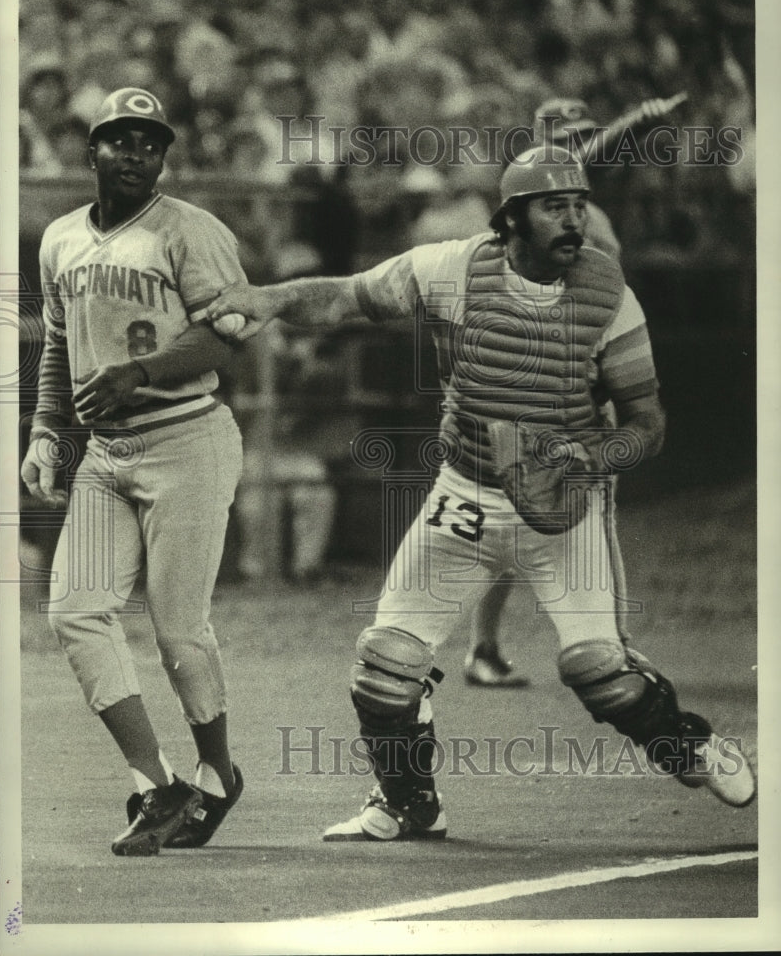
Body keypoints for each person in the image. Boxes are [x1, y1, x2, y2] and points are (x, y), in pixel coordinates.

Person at [208, 144, 756, 840]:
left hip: (564, 507)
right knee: (385, 667)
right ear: (512, 219)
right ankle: (408, 805)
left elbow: (647, 422)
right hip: (466, 493)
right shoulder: (452, 269)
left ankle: (691, 746)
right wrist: (270, 299)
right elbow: (347, 297)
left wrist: (591, 455)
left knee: (599, 674)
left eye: (579, 207)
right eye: (555, 207)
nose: (573, 222)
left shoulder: (609, 295)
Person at [20, 88, 246, 856]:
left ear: (163, 157)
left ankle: (217, 776)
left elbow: (229, 336)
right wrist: (47, 428)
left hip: (187, 439)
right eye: (120, 140)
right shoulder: (58, 239)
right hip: (106, 454)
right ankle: (158, 785)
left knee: (178, 628)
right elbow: (57, 344)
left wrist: (142, 373)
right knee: (75, 610)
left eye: (149, 144)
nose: (134, 154)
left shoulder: (191, 230)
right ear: (92, 150)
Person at [463, 94, 682, 687]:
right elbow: (567, 160)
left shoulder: (582, 213)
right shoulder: (523, 201)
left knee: (533, 513)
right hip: (550, 376)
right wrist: (631, 122)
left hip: (580, 367)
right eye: (561, 136)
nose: (571, 148)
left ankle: (494, 647)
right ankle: (608, 648)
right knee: (557, 509)